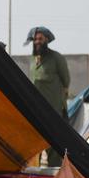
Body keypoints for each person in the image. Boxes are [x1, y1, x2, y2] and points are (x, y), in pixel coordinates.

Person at [25, 26, 70, 167]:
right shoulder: (33, 59)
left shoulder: (56, 58)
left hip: (53, 107)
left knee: (53, 141)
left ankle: (55, 170)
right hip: (35, 107)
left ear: (46, 40)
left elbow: (66, 80)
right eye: (35, 39)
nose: (37, 41)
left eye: (40, 38)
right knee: (35, 140)